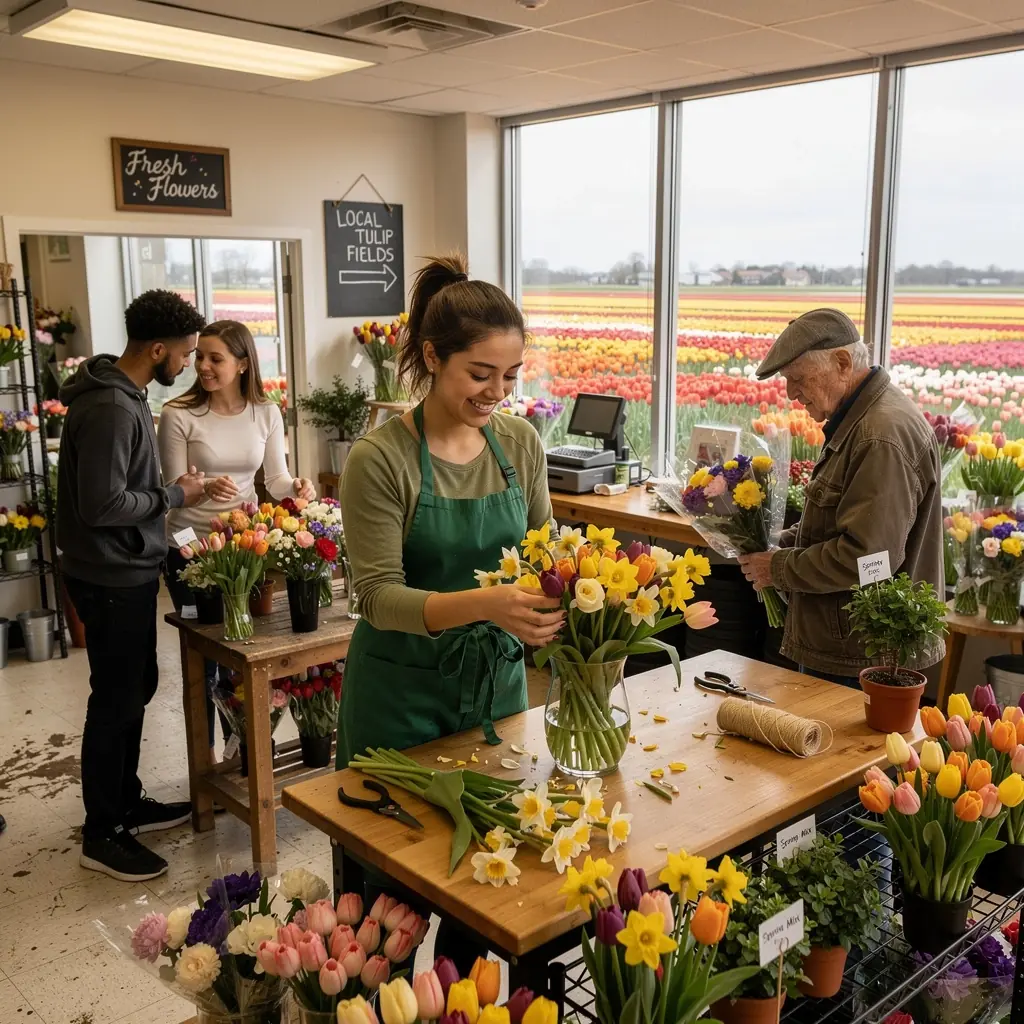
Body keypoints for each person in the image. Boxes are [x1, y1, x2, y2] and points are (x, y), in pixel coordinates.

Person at [338, 253, 561, 972]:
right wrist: (490, 604)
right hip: (399, 707)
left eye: (511, 377)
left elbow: (546, 552)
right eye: (480, 374)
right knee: (385, 925)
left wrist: (585, 617)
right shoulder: (381, 460)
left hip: (494, 699)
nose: (496, 393)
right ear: (432, 358)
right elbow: (377, 596)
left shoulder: (519, 444)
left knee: (483, 902)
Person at [58, 289, 217, 882]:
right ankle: (102, 833)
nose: (189, 364)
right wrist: (177, 494)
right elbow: (102, 505)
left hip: (122, 570)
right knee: (115, 700)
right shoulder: (112, 407)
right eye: (186, 353)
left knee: (135, 687)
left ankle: (125, 804)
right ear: (157, 350)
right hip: (109, 574)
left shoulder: (122, 396)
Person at [737, 307, 944, 686]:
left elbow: (870, 560)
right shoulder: (862, 420)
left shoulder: (879, 436)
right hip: (848, 643)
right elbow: (838, 524)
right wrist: (775, 542)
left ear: (843, 363)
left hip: (862, 652)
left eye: (798, 378)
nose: (791, 393)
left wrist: (779, 568)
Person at [158, 320, 314, 757]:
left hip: (242, 550)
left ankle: (243, 750)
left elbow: (276, 479)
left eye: (215, 358)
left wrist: (297, 486)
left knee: (243, 652)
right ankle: (205, 760)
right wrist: (204, 486)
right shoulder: (178, 414)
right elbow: (171, 488)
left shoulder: (265, 412)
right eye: (200, 357)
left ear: (243, 364)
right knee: (204, 658)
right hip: (188, 547)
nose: (203, 366)